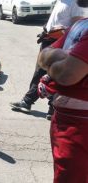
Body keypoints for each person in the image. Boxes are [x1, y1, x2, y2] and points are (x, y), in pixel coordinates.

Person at [37, 0, 88, 182]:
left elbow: (67, 74)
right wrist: (61, 58)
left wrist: (55, 65)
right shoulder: (81, 25)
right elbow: (43, 55)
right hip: (68, 121)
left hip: (79, 125)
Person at [10, 0, 84, 120]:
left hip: (60, 43)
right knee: (39, 72)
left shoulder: (74, 3)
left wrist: (61, 33)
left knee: (54, 76)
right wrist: (46, 30)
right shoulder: (60, 1)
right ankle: (27, 101)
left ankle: (52, 108)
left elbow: (76, 27)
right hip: (48, 40)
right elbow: (56, 20)